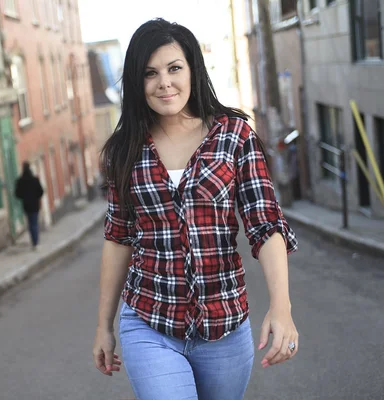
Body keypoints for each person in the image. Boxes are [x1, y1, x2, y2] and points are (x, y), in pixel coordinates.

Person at [92, 18, 299, 400]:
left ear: (193, 69)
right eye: (150, 73)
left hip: (225, 325)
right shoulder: (124, 150)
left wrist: (281, 308)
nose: (164, 83)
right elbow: (118, 238)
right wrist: (104, 325)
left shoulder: (234, 137)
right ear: (137, 83)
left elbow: (265, 225)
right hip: (149, 321)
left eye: (174, 68)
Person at [15, 162, 44, 249]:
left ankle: (33, 241)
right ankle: (36, 242)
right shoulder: (35, 180)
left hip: (26, 205)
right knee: (34, 222)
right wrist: (36, 197)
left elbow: (17, 194)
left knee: (30, 223)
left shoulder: (20, 181)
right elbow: (41, 192)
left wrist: (24, 197)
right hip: (35, 204)